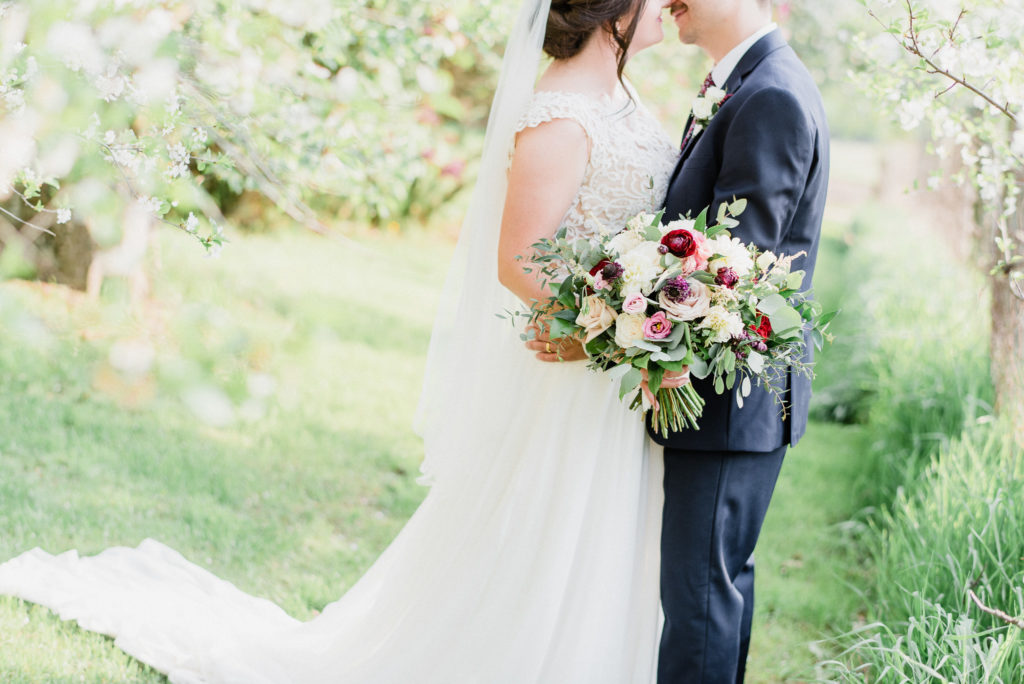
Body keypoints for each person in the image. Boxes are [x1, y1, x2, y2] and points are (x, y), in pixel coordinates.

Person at [0, 2, 681, 682]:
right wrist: (613, 329)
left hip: (612, 369)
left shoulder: (619, 93)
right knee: (549, 539)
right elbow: (519, 259)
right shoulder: (560, 114)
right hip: (574, 369)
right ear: (610, 10)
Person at [657, 1, 829, 682]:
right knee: (712, 593)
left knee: (701, 603)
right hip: (733, 400)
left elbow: (734, 270)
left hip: (730, 397)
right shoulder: (750, 82)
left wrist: (634, 321)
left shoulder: (771, 96)